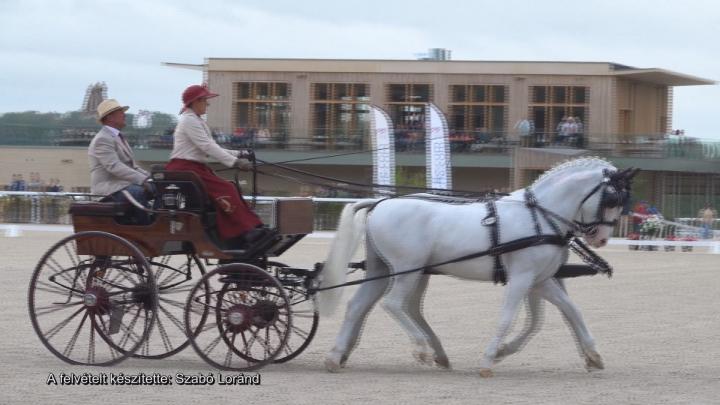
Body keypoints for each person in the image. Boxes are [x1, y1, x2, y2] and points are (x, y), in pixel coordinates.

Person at [165, 84, 270, 246]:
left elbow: (212, 146)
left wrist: (239, 154)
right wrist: (234, 162)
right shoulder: (189, 120)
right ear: (196, 102)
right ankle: (244, 231)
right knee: (226, 190)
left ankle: (248, 227)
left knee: (231, 187)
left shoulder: (195, 120)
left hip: (193, 167)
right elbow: (207, 147)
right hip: (185, 168)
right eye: (205, 100)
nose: (207, 104)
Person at [88, 99, 153, 224]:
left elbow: (132, 166)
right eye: (120, 112)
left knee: (157, 188)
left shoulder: (117, 137)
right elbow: (114, 166)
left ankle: (156, 222)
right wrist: (143, 180)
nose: (124, 115)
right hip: (108, 191)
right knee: (138, 192)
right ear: (110, 117)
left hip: (122, 186)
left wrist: (150, 178)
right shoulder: (102, 139)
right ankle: (145, 230)